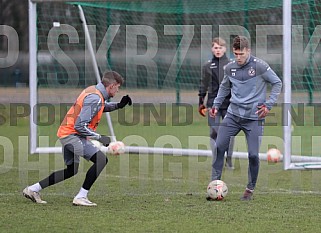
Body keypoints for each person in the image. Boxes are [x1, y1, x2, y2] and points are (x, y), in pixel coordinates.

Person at [23, 71, 132, 206]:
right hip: (72, 135)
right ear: (112, 86)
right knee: (101, 160)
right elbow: (80, 125)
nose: (117, 91)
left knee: (71, 170)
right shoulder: (96, 97)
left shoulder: (93, 91)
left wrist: (118, 106)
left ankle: (33, 189)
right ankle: (81, 197)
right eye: (118, 87)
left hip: (66, 133)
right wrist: (100, 138)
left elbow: (97, 108)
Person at [209, 36, 282, 201]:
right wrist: (215, 105)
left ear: (248, 51)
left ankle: (250, 188)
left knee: (253, 155)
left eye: (241, 53)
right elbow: (224, 87)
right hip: (233, 116)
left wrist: (268, 105)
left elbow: (277, 82)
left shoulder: (260, 66)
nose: (238, 57)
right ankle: (215, 186)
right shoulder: (230, 68)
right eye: (236, 54)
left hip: (253, 119)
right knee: (219, 147)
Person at [198, 37, 235, 170]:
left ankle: (229, 160)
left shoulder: (232, 64)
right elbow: (203, 84)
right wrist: (201, 102)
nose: (218, 50)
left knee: (229, 132)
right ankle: (217, 160)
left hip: (229, 103)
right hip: (213, 104)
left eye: (220, 47)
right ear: (212, 49)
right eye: (215, 47)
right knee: (214, 131)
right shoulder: (207, 66)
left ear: (225, 49)